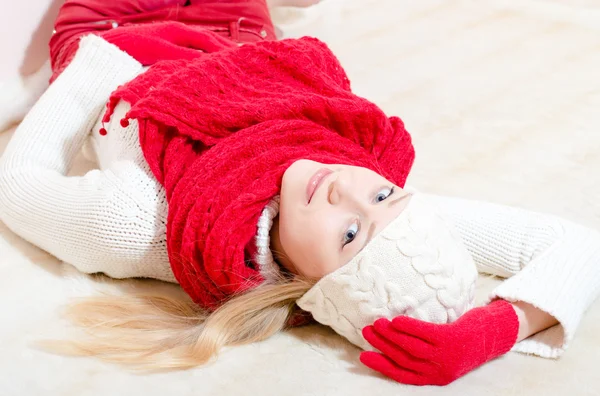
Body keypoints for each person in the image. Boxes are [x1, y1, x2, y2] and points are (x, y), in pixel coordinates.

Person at [0, 0, 599, 387]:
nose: (347, 188)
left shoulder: (142, 222)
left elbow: (20, 186)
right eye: (386, 195)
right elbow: (576, 244)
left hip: (122, 31)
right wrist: (492, 331)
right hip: (244, 36)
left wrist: (96, 63)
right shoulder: (383, 212)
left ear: (307, 286)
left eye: (348, 234)